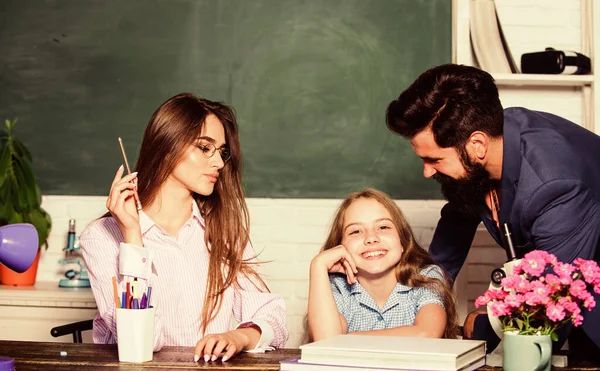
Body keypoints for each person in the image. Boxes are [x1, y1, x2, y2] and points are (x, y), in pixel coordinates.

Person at [385, 63, 600, 358]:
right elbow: (454, 230)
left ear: (477, 145)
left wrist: (486, 323)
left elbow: (548, 309)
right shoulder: (487, 142)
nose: (426, 172)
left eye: (434, 160)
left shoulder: (556, 184)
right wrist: (412, 306)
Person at [80, 93, 288, 363]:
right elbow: (142, 343)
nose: (219, 163)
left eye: (222, 152)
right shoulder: (101, 237)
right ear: (167, 145)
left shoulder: (224, 229)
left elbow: (272, 315)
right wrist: (132, 235)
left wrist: (239, 336)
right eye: (205, 148)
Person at [307, 188, 459, 341]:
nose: (371, 238)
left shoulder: (426, 277)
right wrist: (318, 266)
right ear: (340, 246)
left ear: (402, 242)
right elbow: (326, 342)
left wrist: (345, 338)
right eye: (356, 231)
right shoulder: (337, 287)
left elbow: (427, 334)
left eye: (383, 227)